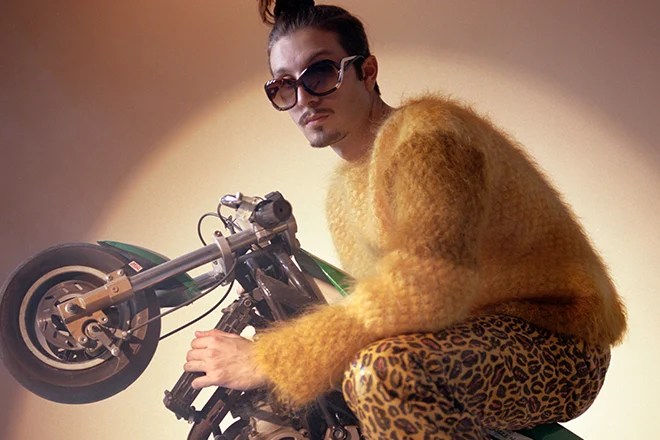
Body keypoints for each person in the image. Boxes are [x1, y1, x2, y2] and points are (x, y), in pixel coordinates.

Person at [183, 1, 627, 438]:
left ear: (367, 71)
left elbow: (424, 289)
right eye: (284, 87)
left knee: (380, 374)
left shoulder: (427, 136)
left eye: (320, 73)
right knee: (332, 389)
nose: (304, 99)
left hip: (557, 340)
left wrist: (269, 359)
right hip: (464, 340)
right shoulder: (342, 195)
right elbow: (384, 314)